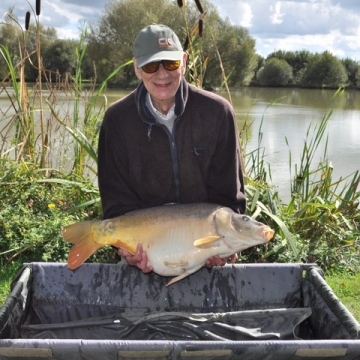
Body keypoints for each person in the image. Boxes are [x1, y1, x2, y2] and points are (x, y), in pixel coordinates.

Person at [98, 24, 246, 274]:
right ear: (137, 68)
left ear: (184, 62)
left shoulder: (217, 113)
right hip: (145, 252)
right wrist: (125, 250)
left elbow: (228, 198)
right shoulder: (116, 121)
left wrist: (218, 246)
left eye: (171, 64)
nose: (162, 74)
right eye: (150, 66)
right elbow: (116, 205)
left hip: (205, 247)